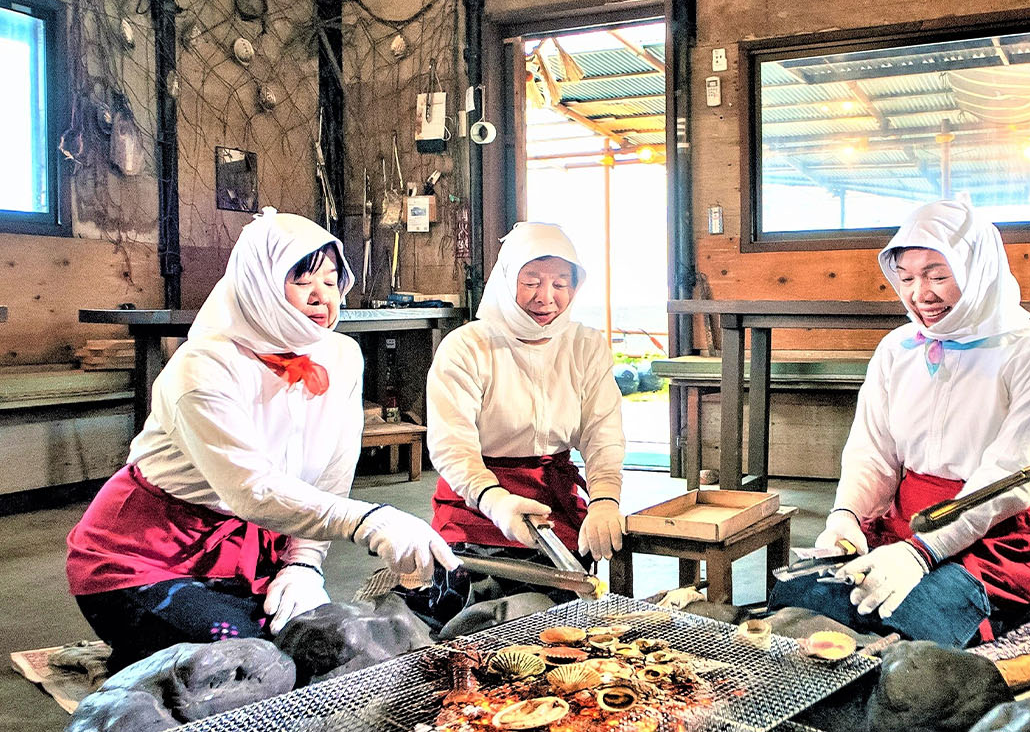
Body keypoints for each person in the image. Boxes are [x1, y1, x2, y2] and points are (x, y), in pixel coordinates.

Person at [66, 208, 460, 671]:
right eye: (302, 281)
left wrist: (304, 564)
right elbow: (249, 489)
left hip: (254, 549)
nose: (322, 297)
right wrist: (369, 521)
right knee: (251, 658)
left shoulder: (340, 355)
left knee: (331, 643)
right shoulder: (204, 366)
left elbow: (334, 467)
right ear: (260, 283)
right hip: (148, 551)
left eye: (333, 282)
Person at [769, 200, 1030, 646]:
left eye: (938, 276)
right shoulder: (898, 348)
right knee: (799, 598)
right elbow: (873, 449)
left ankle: (1018, 608)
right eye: (907, 278)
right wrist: (847, 517)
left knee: (913, 623)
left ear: (979, 269)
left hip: (998, 532)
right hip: (906, 523)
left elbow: (1011, 475)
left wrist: (921, 553)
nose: (921, 294)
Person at [423, 222, 624, 619]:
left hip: (553, 500)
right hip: (477, 505)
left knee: (565, 618)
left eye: (560, 284)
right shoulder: (467, 347)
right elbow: (452, 445)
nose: (546, 298)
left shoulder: (585, 346)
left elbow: (603, 430)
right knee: (477, 617)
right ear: (507, 278)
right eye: (531, 281)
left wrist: (604, 498)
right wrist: (494, 502)